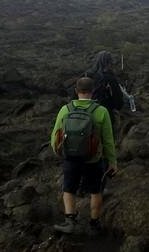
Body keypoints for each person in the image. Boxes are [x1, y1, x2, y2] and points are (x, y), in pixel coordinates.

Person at [50, 76, 117, 235]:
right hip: (94, 159)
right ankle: (94, 224)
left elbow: (55, 136)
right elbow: (108, 140)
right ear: (93, 92)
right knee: (96, 191)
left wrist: (59, 152)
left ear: (76, 91)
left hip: (71, 158)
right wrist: (112, 162)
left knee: (69, 188)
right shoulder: (101, 111)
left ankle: (70, 222)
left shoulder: (65, 110)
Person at [85, 51, 124, 139]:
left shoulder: (87, 75)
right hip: (105, 114)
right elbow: (118, 102)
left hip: (85, 114)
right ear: (109, 63)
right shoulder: (110, 78)